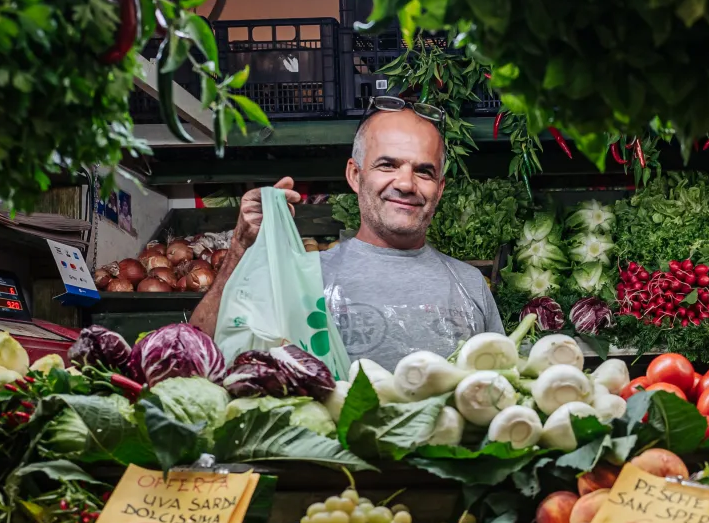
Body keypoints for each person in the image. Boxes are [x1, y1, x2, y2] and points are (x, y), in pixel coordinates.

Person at [190, 99, 504, 368]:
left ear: (440, 188)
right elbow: (196, 354)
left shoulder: (470, 285)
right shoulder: (302, 280)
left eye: (424, 171)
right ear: (355, 174)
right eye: (387, 165)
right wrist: (241, 247)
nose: (406, 184)